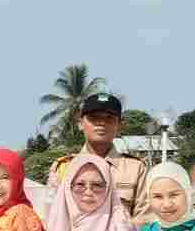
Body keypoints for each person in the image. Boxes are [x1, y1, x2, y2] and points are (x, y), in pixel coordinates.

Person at [46, 93, 150, 223]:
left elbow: (144, 220)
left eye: (109, 118)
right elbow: (53, 220)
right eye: (94, 117)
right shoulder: (64, 168)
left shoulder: (136, 169)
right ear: (80, 123)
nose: (101, 123)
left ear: (119, 125)